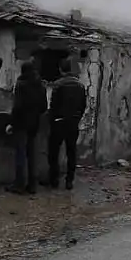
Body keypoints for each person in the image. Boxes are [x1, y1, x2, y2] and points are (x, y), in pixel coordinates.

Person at [5, 61, 47, 194]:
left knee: (20, 154)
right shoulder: (40, 84)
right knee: (32, 154)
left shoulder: (21, 84)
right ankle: (32, 185)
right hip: (34, 124)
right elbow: (44, 107)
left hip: (21, 124)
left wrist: (11, 123)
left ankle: (19, 184)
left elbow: (17, 107)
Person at [45, 58, 87, 191]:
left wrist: (52, 119)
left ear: (60, 69)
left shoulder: (58, 85)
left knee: (53, 152)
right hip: (73, 123)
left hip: (59, 122)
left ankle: (54, 180)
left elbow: (53, 106)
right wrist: (76, 118)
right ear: (70, 69)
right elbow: (83, 105)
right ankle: (69, 181)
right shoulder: (80, 85)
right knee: (71, 152)